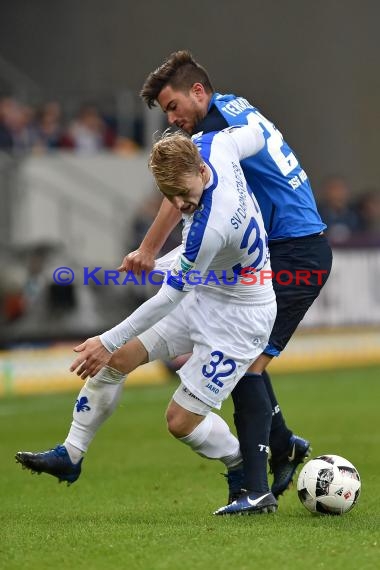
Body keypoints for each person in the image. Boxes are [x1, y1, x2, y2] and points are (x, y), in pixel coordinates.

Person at [16, 122, 279, 515]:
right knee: (118, 360)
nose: (182, 203)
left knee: (179, 421)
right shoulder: (214, 145)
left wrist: (104, 339)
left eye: (186, 194)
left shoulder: (211, 225)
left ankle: (245, 470)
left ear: (202, 172)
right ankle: (71, 454)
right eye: (172, 196)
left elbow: (169, 298)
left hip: (240, 317)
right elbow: (259, 132)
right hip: (210, 290)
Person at [119, 50, 333, 514]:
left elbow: (178, 197)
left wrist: (148, 251)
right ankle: (281, 449)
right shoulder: (235, 107)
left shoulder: (213, 135)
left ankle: (256, 486)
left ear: (199, 92)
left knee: (244, 363)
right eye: (166, 113)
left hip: (294, 248)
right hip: (282, 245)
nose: (173, 119)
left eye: (174, 106)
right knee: (237, 356)